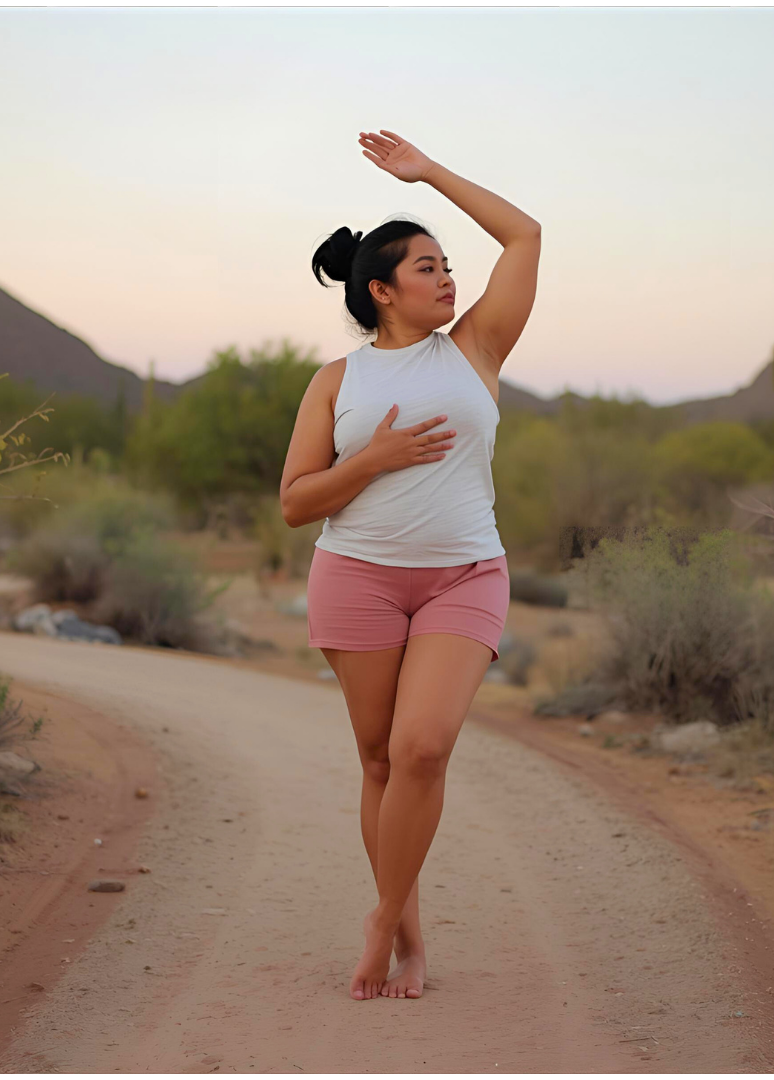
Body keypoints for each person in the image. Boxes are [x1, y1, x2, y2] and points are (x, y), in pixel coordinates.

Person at [280, 130, 541, 1001]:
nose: (447, 277)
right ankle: (413, 944)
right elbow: (296, 501)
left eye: (447, 264)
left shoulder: (476, 350)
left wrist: (429, 173)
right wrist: (371, 461)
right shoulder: (334, 380)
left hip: (464, 574)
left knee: (422, 748)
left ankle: (382, 920)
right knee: (381, 762)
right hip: (357, 575)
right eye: (427, 268)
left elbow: (527, 235)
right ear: (382, 291)